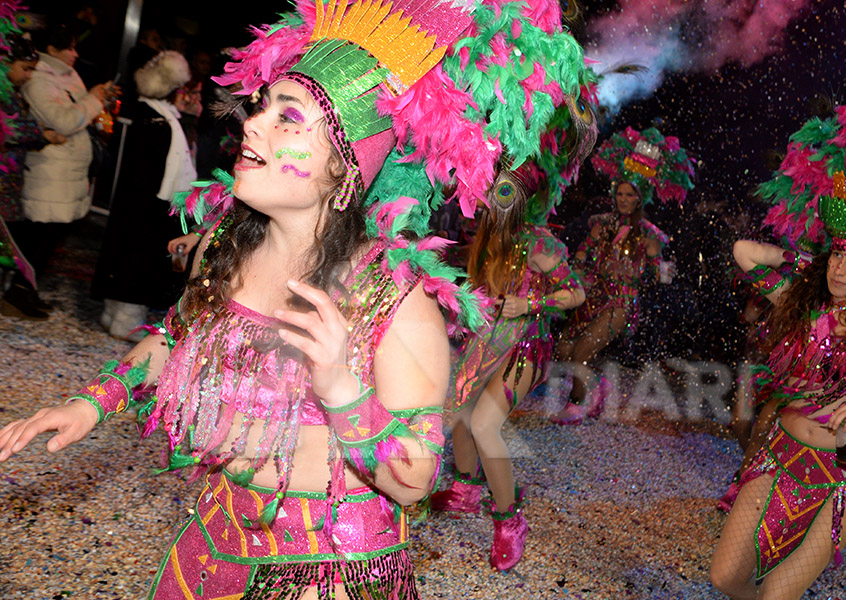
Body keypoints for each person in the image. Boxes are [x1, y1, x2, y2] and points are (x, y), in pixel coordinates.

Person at [0, 0, 596, 595]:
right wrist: (91, 404)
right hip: (210, 538)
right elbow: (177, 339)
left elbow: (414, 479)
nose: (253, 124)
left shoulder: (394, 299)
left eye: (289, 117)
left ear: (345, 170)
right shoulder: (223, 246)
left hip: (328, 568)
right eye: (263, 108)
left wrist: (341, 388)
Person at [709, 81, 846, 599]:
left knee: (778, 595)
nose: (842, 267)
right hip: (779, 455)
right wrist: (808, 262)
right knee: (725, 578)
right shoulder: (806, 303)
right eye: (838, 254)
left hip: (844, 478)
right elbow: (745, 252)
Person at [428, 2, 598, 570]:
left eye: (504, 192)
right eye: (490, 189)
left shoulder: (540, 244)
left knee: (483, 422)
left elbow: (575, 295)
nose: (493, 199)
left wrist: (533, 301)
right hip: (489, 336)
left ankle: (510, 520)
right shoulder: (479, 237)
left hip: (526, 344)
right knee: (455, 411)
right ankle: (469, 486)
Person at [551, 126, 695, 425]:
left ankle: (576, 406)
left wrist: (661, 269)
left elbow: (655, 276)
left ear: (640, 198)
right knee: (564, 348)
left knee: (582, 350)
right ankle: (599, 387)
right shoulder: (600, 224)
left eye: (630, 194)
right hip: (593, 294)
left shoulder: (649, 234)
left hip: (621, 302)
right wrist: (574, 272)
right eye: (619, 193)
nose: (623, 199)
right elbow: (583, 256)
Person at [91, 50, 195, 341]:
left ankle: (114, 315)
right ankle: (125, 322)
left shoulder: (150, 114)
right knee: (137, 261)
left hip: (134, 202)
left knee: (124, 256)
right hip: (147, 205)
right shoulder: (158, 121)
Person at [14, 22, 115, 307]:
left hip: (67, 169)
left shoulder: (67, 75)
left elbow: (78, 114)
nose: (74, 53)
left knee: (50, 236)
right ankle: (20, 293)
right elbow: (65, 120)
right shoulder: (39, 79)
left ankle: (26, 291)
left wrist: (95, 100)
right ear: (50, 49)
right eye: (68, 47)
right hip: (49, 170)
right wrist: (93, 100)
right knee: (38, 236)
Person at [0, 32, 67, 320]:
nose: (28, 76)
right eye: (25, 68)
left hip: (10, 181)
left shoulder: (12, 92)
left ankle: (13, 295)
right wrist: (41, 133)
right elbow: (11, 129)